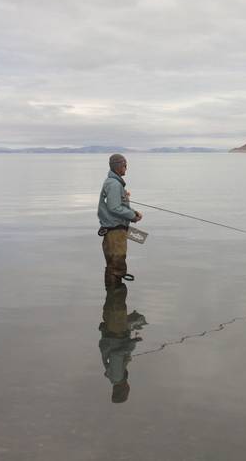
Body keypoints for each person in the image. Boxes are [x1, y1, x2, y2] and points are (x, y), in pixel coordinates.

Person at [98, 153, 143, 288]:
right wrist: (133, 216)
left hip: (117, 231)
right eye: (125, 165)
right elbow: (114, 208)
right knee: (116, 266)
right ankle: (115, 301)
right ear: (118, 166)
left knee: (115, 264)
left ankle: (114, 302)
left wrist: (132, 212)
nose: (126, 168)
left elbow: (118, 206)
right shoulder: (113, 184)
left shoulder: (115, 183)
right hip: (115, 232)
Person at [98, 282, 147, 403]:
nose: (128, 389)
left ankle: (115, 280)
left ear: (124, 390)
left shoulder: (117, 377)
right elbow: (115, 357)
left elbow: (115, 355)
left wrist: (132, 344)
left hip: (116, 331)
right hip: (111, 331)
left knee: (118, 295)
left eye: (127, 391)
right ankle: (113, 279)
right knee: (112, 294)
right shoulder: (114, 376)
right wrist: (126, 358)